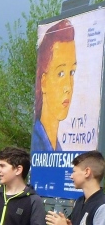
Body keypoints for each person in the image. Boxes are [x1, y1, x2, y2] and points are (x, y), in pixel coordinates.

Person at [32, 19, 76, 152]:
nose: (68, 87)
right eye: (60, 73)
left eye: (72, 72)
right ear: (43, 82)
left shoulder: (57, 149)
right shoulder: (39, 146)